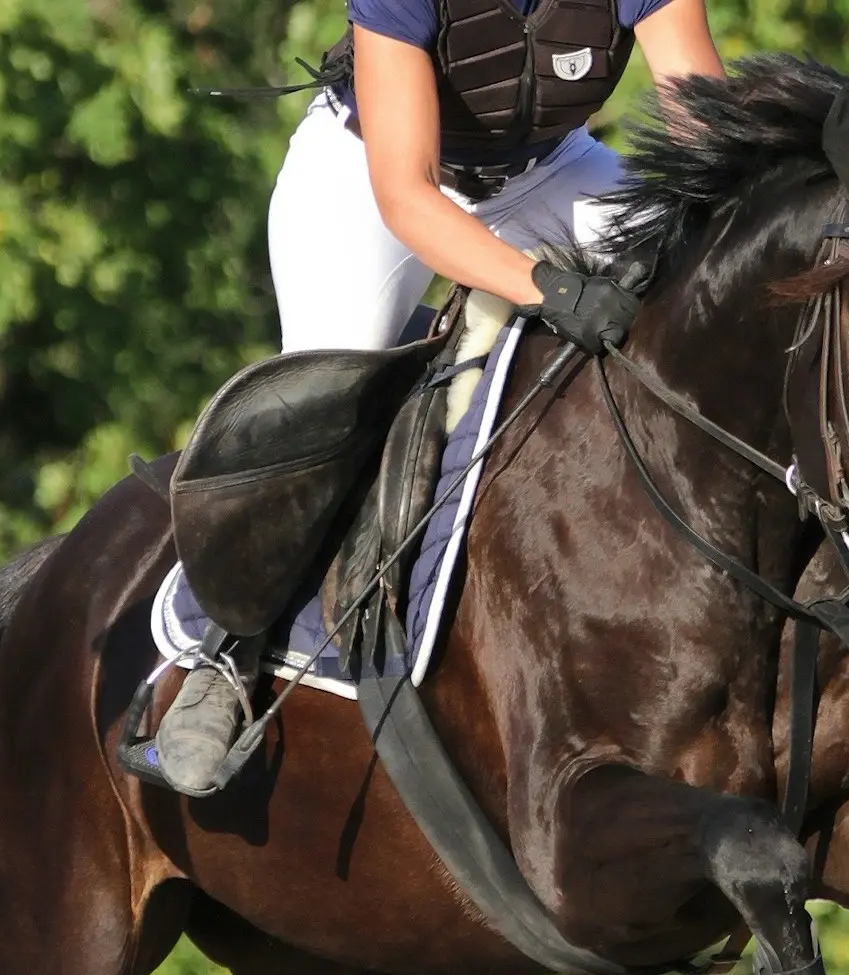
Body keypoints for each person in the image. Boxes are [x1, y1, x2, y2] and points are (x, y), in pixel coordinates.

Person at [152, 0, 727, 795]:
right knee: (320, 399)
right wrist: (546, 288)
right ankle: (228, 648)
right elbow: (408, 196)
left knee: (714, 291)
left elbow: (710, 137)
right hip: (371, 180)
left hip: (548, 170)